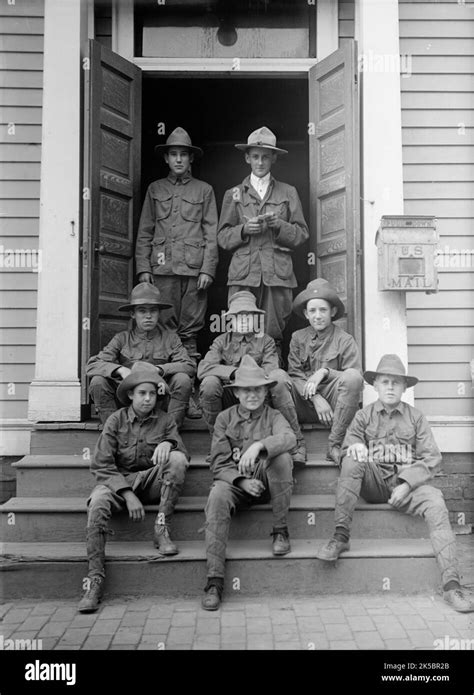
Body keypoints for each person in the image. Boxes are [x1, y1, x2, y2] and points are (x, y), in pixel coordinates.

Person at [316, 354, 474, 614]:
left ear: (404, 388)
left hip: (407, 487)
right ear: (375, 385)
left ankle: (451, 585)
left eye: (396, 383)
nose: (390, 387)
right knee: (352, 460)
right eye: (385, 381)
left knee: (435, 500)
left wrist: (407, 483)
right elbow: (348, 445)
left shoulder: (416, 418)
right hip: (374, 483)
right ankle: (341, 536)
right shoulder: (363, 416)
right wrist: (355, 445)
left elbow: (433, 458)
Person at [78, 362, 189, 613]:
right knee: (96, 503)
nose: (148, 399)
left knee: (178, 460)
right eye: (142, 393)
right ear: (130, 394)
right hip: (119, 483)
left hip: (151, 482)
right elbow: (101, 465)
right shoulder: (116, 421)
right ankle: (94, 579)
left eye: (152, 393)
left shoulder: (165, 420)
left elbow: (184, 455)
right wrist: (127, 494)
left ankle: (161, 528)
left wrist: (169, 444)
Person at [202, 355, 296, 611]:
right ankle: (214, 580)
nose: (252, 395)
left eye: (257, 389)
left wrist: (259, 446)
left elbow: (289, 438)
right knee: (217, 496)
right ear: (237, 393)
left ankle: (280, 530)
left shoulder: (274, 416)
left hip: (269, 482)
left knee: (283, 458)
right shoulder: (224, 419)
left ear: (266, 391)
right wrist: (241, 482)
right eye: (246, 390)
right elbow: (218, 464)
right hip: (236, 486)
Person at [217, 126, 309, 351]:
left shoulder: (288, 192)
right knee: (240, 333)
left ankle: (273, 376)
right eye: (255, 157)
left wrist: (279, 225)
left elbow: (302, 234)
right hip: (244, 275)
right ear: (247, 157)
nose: (260, 162)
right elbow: (222, 237)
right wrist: (244, 229)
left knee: (272, 335)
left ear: (274, 158)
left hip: (277, 275)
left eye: (265, 157)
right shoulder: (234, 193)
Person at [198, 290, 306, 464]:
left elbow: (271, 370)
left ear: (256, 319)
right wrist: (233, 373)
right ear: (230, 320)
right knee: (209, 383)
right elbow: (203, 368)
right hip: (231, 396)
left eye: (248, 316)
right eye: (238, 317)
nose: (243, 321)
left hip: (259, 397)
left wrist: (249, 377)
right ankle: (218, 445)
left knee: (279, 376)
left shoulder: (266, 341)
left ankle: (297, 442)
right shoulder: (221, 341)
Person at [86, 283, 195, 428]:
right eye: (142, 311)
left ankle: (170, 433)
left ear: (159, 313)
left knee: (183, 379)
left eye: (153, 311)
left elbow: (189, 366)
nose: (148, 316)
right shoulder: (122, 339)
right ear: (133, 314)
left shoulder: (171, 338)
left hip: (159, 398)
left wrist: (159, 370)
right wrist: (120, 370)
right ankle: (113, 430)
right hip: (127, 399)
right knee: (97, 381)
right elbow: (92, 366)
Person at [288, 278, 364, 464]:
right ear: (306, 313)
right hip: (303, 404)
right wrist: (315, 398)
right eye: (312, 311)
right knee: (278, 379)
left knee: (353, 377)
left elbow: (354, 376)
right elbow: (294, 375)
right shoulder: (298, 338)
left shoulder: (345, 340)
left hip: (334, 409)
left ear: (333, 312)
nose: (318, 315)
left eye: (323, 310)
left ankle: (335, 445)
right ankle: (297, 444)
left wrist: (324, 371)